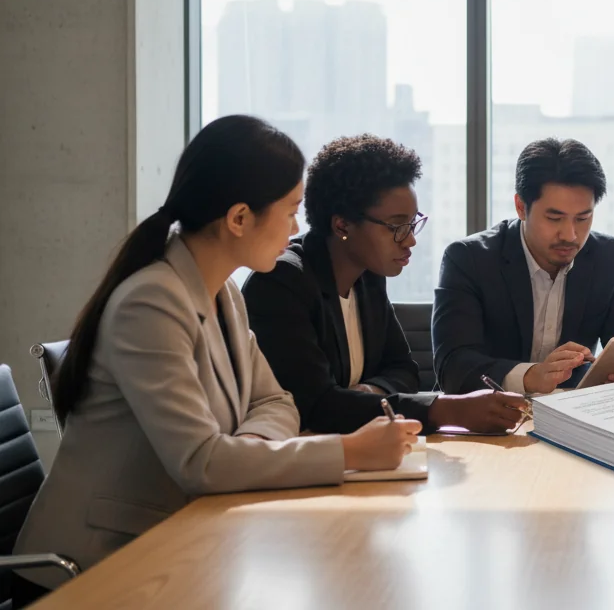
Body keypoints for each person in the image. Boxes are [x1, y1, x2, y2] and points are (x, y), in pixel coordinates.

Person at [12, 117, 417, 603]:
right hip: (92, 568)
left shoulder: (224, 292)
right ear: (240, 218)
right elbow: (201, 463)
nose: (296, 228)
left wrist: (244, 450)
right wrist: (350, 452)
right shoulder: (151, 302)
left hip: (183, 539)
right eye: (290, 212)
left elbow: (276, 402)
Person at [243, 135, 528, 435]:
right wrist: (447, 410)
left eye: (412, 223)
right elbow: (315, 406)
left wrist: (368, 394)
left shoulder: (368, 275)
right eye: (397, 226)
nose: (410, 240)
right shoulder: (282, 282)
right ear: (342, 225)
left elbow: (404, 370)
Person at [433, 138, 614, 394]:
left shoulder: (610, 257)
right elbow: (453, 367)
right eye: (554, 218)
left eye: (583, 218)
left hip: (573, 411)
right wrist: (530, 376)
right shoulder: (469, 259)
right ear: (521, 207)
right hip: (492, 412)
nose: (570, 235)